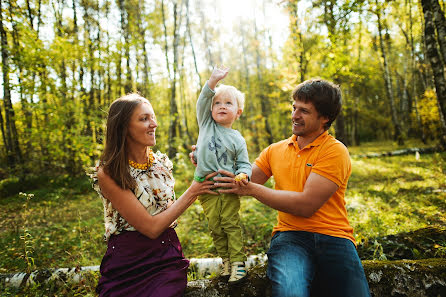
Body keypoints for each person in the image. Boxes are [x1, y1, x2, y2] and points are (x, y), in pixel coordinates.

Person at [210, 79, 371, 296]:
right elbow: (241, 179)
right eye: (294, 107)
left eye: (304, 111)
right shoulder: (274, 151)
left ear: (325, 118)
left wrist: (251, 190)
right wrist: (206, 157)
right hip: (290, 238)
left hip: (335, 237)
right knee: (290, 292)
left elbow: (306, 206)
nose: (294, 115)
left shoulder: (334, 151)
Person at [90, 93, 216, 297]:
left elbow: (168, 214)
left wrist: (204, 162)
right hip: (126, 263)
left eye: (153, 117)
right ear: (123, 127)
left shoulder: (161, 164)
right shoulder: (109, 172)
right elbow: (151, 228)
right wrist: (194, 190)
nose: (154, 124)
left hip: (166, 258)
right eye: (144, 119)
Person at [193, 66, 252, 284]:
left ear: (238, 112)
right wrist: (213, 81)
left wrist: (243, 175)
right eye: (217, 103)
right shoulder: (206, 124)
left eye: (228, 103)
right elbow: (202, 100)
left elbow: (245, 164)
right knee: (215, 226)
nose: (221, 106)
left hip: (227, 188)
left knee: (230, 224)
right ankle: (225, 260)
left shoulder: (237, 139)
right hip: (206, 188)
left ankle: (238, 263)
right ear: (209, 110)